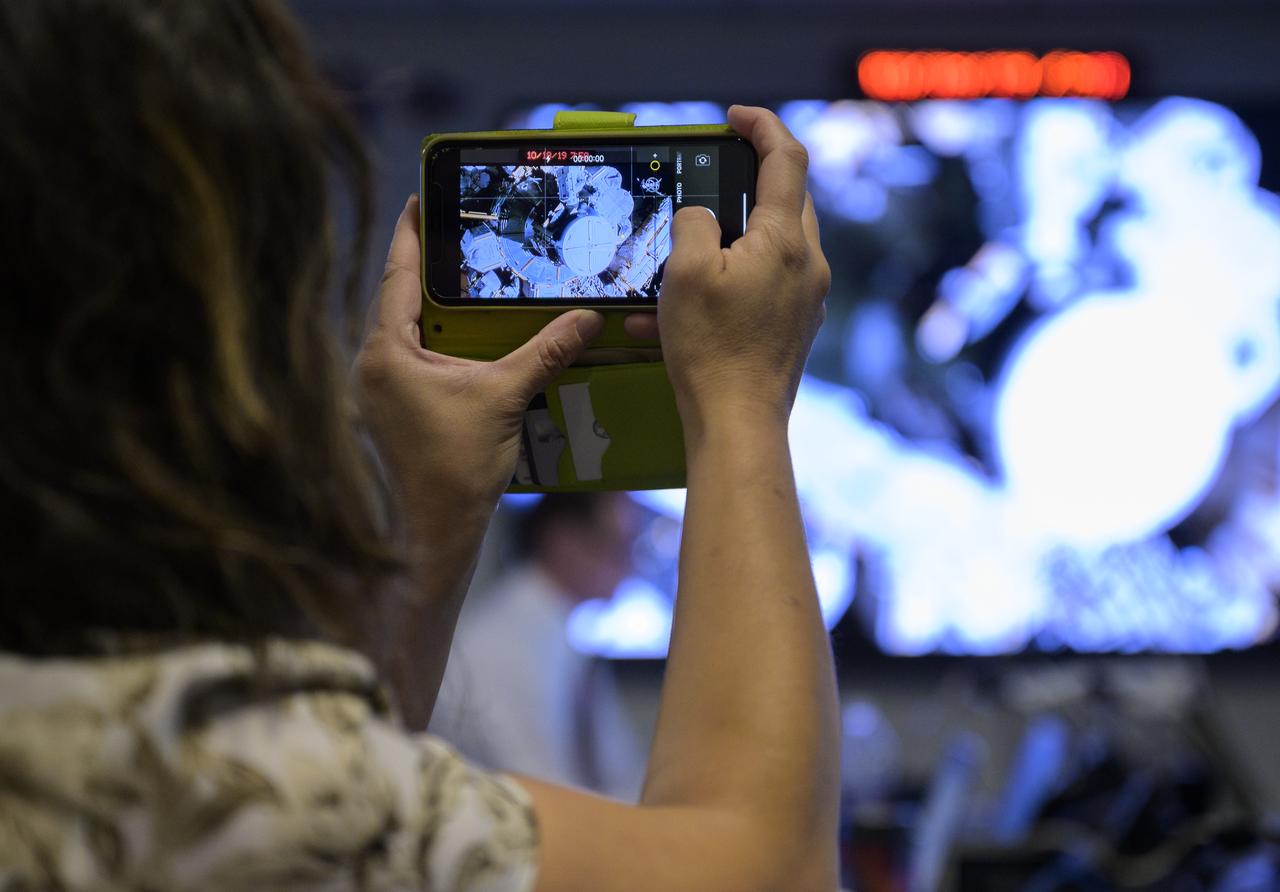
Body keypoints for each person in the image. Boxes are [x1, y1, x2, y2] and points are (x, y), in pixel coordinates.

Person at [0, 1, 837, 890]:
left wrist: (435, 507)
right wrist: (741, 394)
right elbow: (766, 870)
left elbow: (339, 837)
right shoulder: (177, 775)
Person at [430, 493, 647, 799]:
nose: (631, 567)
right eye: (621, 548)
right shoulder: (500, 644)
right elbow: (538, 792)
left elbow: (618, 771)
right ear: (564, 541)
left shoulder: (562, 641)